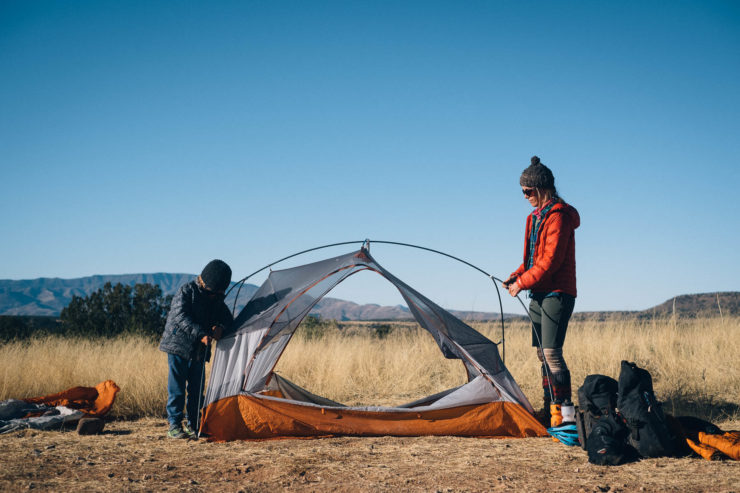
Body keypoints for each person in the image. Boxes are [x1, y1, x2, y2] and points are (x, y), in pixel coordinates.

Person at [502, 156, 580, 424]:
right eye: (522, 192)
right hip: (537, 292)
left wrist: (521, 283)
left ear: (541, 188)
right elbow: (532, 261)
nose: (525, 197)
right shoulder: (533, 218)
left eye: (527, 191)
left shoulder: (559, 216)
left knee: (552, 352)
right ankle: (550, 411)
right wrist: (516, 275)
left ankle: (565, 416)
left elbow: (551, 261)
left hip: (557, 293)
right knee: (541, 353)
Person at [159, 259, 234, 439]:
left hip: (200, 350)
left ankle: (194, 424)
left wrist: (221, 328)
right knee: (177, 388)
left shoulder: (216, 298)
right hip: (178, 347)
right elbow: (180, 316)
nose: (216, 295)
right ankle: (175, 425)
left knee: (196, 389)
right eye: (214, 291)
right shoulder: (186, 292)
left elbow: (227, 318)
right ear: (205, 283)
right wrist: (201, 333)